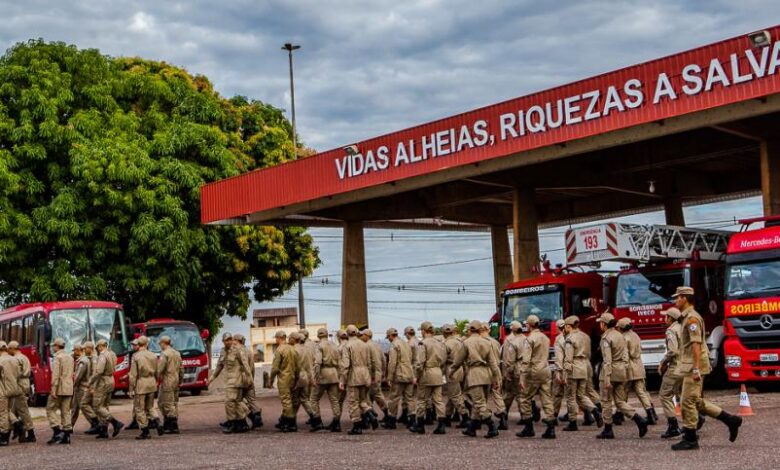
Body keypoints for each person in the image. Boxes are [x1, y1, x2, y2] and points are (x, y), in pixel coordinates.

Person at [670, 286, 742, 451]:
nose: (675, 301)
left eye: (677, 298)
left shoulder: (692, 319)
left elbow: (696, 345)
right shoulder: (686, 317)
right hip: (690, 365)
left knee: (687, 401)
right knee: (696, 401)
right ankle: (731, 420)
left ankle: (690, 438)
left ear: (684, 298)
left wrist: (695, 369)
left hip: (693, 366)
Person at [595, 313, 647, 439]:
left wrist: (606, 378)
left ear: (604, 324)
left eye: (601, 323)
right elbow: (625, 355)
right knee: (620, 401)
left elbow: (607, 360)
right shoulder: (620, 335)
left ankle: (608, 429)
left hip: (610, 371)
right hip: (621, 370)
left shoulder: (606, 338)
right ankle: (639, 419)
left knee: (606, 401)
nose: (600, 325)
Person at [450, 320, 501, 438]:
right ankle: (472, 428)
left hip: (474, 373)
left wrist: (452, 371)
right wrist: (496, 379)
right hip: (486, 374)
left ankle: (492, 426)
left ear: (470, 329)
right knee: (477, 404)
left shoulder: (466, 343)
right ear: (480, 329)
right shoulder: (487, 342)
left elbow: (458, 360)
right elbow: (493, 363)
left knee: (479, 402)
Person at [516, 315, 556, 439]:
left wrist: (522, 376)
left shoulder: (530, 339)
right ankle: (550, 427)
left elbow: (526, 359)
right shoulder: (545, 337)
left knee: (524, 398)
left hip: (533, 371)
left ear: (529, 325)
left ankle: (529, 427)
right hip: (546, 369)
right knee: (546, 397)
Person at [562, 316, 602, 431]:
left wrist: (565, 374)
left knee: (571, 397)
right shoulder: (585, 336)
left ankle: (572, 422)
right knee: (581, 395)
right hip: (584, 366)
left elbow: (568, 358)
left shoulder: (570, 339)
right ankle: (596, 411)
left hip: (574, 367)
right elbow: (589, 353)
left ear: (568, 326)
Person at [409, 321, 447, 435]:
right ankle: (441, 425)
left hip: (427, 373)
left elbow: (420, 363)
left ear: (424, 331)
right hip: (438, 372)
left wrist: (417, 376)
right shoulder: (439, 343)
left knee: (421, 400)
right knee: (439, 400)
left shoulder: (423, 343)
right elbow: (444, 359)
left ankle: (420, 425)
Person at [618, 317, 657, 425]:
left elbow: (625, 355)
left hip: (629, 367)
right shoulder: (636, 335)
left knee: (623, 391)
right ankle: (651, 413)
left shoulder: (623, 338)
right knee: (642, 392)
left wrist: (623, 369)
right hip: (639, 365)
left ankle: (619, 414)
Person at [340, 324, 378, 435]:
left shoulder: (347, 346)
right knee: (363, 400)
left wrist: (342, 380)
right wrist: (369, 376)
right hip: (365, 374)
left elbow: (345, 365)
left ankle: (357, 426)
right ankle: (371, 415)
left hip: (354, 376)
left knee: (353, 402)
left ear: (347, 333)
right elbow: (370, 363)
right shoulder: (365, 345)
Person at [658, 307, 684, 438]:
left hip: (676, 367)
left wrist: (663, 361)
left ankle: (673, 426)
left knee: (664, 395)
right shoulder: (683, 328)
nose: (664, 319)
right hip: (686, 366)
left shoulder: (671, 331)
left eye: (666, 317)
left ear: (670, 318)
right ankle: (696, 418)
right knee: (684, 395)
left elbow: (673, 351)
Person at [90, 339, 124, 439]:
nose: (97, 349)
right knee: (105, 406)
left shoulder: (102, 356)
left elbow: (99, 371)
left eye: (98, 347)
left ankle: (115, 422)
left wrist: (91, 382)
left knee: (97, 406)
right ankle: (104, 430)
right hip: (110, 379)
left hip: (103, 381)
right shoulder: (112, 354)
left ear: (101, 346)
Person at [129, 336, 159, 440]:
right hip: (151, 382)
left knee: (139, 408)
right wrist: (156, 380)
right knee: (150, 407)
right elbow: (157, 371)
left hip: (141, 383)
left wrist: (130, 389)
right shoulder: (153, 355)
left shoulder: (136, 356)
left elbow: (133, 375)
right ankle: (157, 420)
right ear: (146, 344)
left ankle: (145, 430)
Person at [269, 330, 300, 433]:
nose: (276, 340)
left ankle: (291, 424)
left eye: (276, 338)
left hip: (283, 379)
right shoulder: (292, 349)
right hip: (292, 378)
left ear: (278, 338)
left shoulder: (279, 350)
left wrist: (270, 380)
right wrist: (296, 379)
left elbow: (275, 369)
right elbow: (298, 367)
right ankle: (284, 422)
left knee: (286, 402)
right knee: (290, 400)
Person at [384, 327, 415, 430]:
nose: (388, 339)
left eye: (388, 337)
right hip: (409, 373)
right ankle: (412, 420)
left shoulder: (394, 345)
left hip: (399, 374)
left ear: (390, 336)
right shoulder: (406, 343)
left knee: (394, 398)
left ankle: (392, 421)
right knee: (409, 398)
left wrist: (389, 377)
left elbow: (392, 362)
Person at [312, 328, 341, 432]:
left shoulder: (319, 345)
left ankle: (317, 422)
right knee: (334, 400)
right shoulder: (334, 345)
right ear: (327, 335)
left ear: (318, 336)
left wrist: (316, 377)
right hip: (334, 373)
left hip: (323, 373)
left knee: (314, 399)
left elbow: (317, 363)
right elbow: (339, 361)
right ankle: (337, 423)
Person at [46, 337, 74, 444]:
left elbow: (56, 375)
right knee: (66, 411)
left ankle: (57, 431)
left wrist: (53, 389)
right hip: (69, 387)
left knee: (50, 409)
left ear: (57, 346)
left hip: (59, 387)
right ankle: (66, 435)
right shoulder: (70, 357)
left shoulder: (57, 357)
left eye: (54, 346)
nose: (53, 348)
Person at [480, 323, 506, 430]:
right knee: (497, 394)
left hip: (484, 370)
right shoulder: (495, 342)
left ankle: (483, 416)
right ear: (489, 330)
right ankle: (502, 416)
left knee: (483, 395)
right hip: (496, 370)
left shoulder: (481, 342)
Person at [442, 324, 468, 428]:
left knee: (455, 395)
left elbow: (442, 360)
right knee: (453, 393)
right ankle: (447, 416)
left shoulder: (445, 344)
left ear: (444, 333)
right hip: (461, 369)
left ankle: (465, 416)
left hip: (451, 369)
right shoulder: (460, 342)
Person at [233, 334, 262, 430]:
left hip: (240, 379)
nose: (232, 341)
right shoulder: (249, 351)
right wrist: (251, 380)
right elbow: (252, 367)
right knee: (251, 400)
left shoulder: (236, 351)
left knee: (237, 400)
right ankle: (257, 416)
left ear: (237, 340)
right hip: (249, 379)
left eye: (234, 339)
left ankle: (243, 421)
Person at [8, 341, 34, 443]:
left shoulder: (16, 359)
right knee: (14, 410)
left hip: (19, 385)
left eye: (9, 349)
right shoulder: (25, 357)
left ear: (12, 348)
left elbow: (16, 373)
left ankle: (30, 433)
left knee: (23, 410)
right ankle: (13, 431)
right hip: (24, 384)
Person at [362, 329, 389, 424]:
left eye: (363, 335)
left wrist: (368, 376)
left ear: (366, 335)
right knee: (378, 395)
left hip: (370, 375)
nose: (361, 337)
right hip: (377, 374)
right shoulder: (377, 345)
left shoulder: (366, 346)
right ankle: (387, 414)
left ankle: (370, 417)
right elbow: (384, 360)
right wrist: (383, 373)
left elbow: (368, 362)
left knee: (366, 396)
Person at [157, 335, 183, 434]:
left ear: (163, 343)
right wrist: (180, 380)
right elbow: (181, 368)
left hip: (167, 379)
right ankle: (169, 423)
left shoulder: (165, 354)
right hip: (175, 379)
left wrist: (156, 377)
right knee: (174, 402)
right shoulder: (177, 353)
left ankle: (172, 426)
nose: (160, 346)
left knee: (166, 403)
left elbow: (160, 369)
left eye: (160, 344)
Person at [290, 333, 317, 430]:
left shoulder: (293, 350)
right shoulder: (307, 350)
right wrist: (312, 379)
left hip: (297, 378)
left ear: (295, 339)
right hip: (305, 377)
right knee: (305, 399)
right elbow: (310, 367)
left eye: (291, 338)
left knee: (294, 400)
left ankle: (292, 423)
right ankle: (315, 418)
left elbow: (292, 367)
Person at [0, 341, 23, 447]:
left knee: (2, 413)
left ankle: (4, 437)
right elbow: (19, 374)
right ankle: (17, 423)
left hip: (2, 390)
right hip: (13, 389)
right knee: (7, 410)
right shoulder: (14, 359)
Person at [78, 341, 100, 434]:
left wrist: (92, 387)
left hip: (92, 386)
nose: (83, 350)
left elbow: (95, 373)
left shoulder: (94, 358)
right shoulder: (90, 358)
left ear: (90, 348)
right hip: (90, 385)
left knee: (84, 404)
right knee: (90, 405)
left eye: (85, 348)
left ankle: (96, 424)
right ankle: (95, 425)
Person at [551, 319, 567, 424]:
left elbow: (558, 357)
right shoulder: (572, 337)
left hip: (562, 368)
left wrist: (558, 372)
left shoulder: (558, 339)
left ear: (557, 327)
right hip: (573, 368)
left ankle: (553, 416)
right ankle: (590, 413)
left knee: (557, 393)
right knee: (574, 395)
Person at [403, 325, 420, 426]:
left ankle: (410, 417)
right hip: (421, 369)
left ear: (406, 334)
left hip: (411, 369)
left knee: (408, 394)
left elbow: (408, 358)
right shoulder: (419, 341)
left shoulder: (409, 344)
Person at [125, 339, 141, 431]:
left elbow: (133, 373)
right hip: (147, 382)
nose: (133, 347)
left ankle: (151, 421)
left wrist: (131, 388)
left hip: (139, 381)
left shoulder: (136, 356)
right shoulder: (150, 354)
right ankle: (135, 420)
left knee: (138, 403)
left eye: (135, 345)